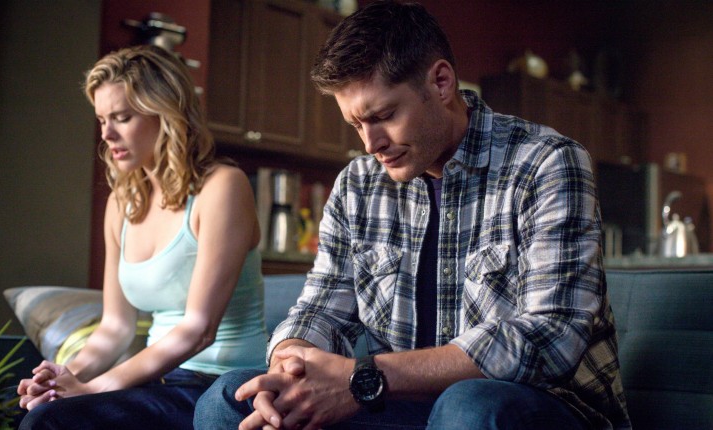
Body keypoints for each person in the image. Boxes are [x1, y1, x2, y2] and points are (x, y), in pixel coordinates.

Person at [194, 1, 631, 429]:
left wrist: (363, 377)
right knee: (231, 399)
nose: (370, 144)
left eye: (383, 116)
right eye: (356, 125)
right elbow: (322, 307)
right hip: (396, 402)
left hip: (537, 405)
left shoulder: (546, 162)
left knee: (468, 406)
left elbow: (551, 336)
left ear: (441, 83)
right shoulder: (357, 184)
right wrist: (290, 364)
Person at [16, 45, 267, 429]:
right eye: (102, 119)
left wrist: (94, 388)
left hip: (221, 386)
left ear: (166, 114)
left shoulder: (222, 187)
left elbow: (199, 330)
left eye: (122, 117)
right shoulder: (123, 202)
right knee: (46, 415)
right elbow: (115, 328)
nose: (107, 134)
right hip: (158, 383)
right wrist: (64, 380)